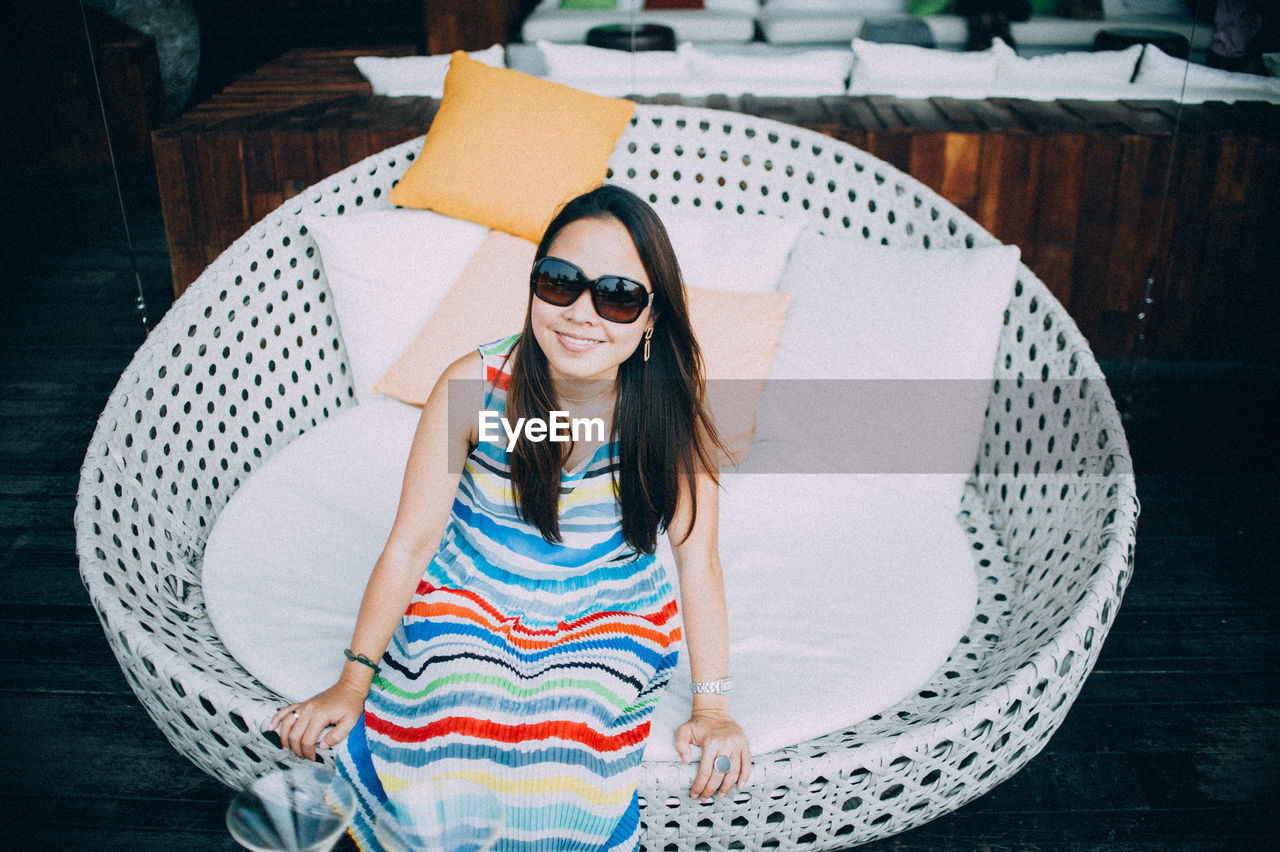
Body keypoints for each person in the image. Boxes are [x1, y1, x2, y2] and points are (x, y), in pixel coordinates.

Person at [268, 185, 752, 850]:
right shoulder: (470, 387)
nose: (581, 313)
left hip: (605, 605)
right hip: (474, 592)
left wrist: (714, 706)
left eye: (616, 296)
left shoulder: (670, 415)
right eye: (559, 283)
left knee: (570, 741)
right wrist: (353, 682)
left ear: (651, 319)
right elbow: (411, 544)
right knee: (455, 713)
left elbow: (698, 559)